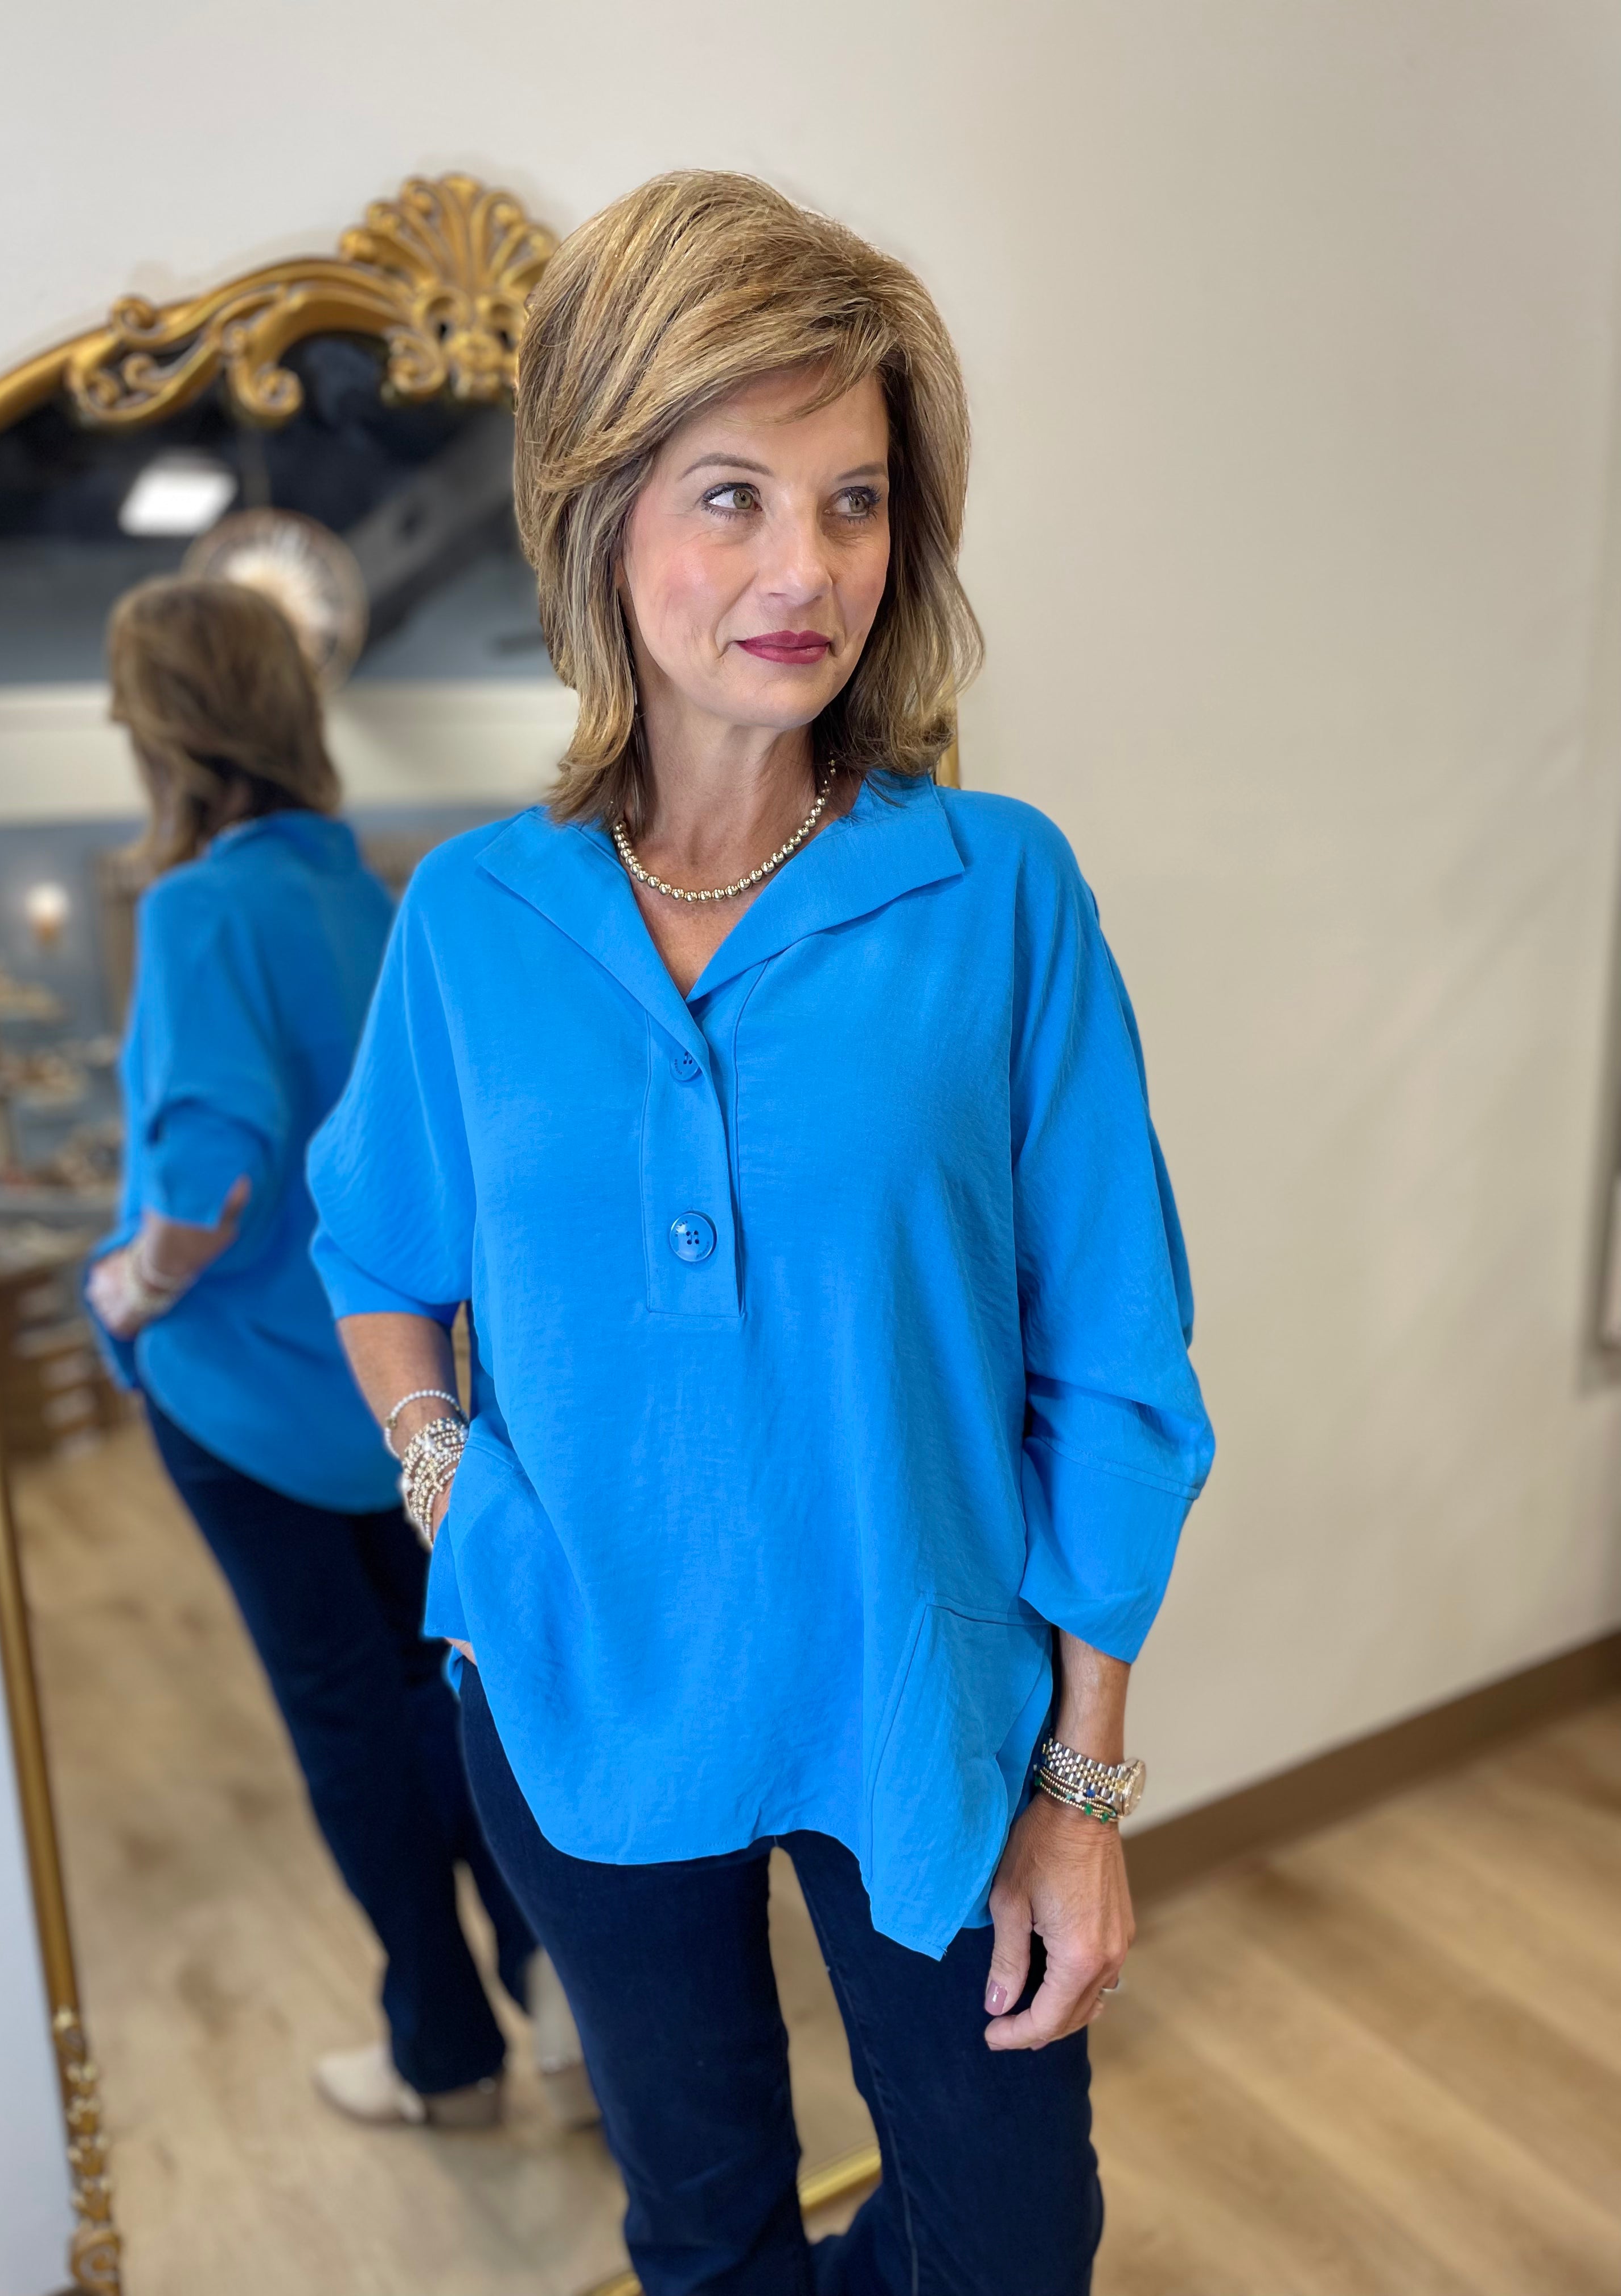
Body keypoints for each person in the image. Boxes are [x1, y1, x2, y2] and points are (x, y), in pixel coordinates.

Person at [309, 172, 1214, 2294]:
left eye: (856, 502)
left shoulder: (996, 892)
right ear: (599, 512)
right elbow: (376, 1256)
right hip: (579, 1687)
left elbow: (1116, 1362)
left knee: (1011, 2238)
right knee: (703, 2227)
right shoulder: (471, 920)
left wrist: (1084, 1789)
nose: (810, 570)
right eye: (734, 495)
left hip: (927, 1696)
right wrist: (454, 1490)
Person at [84, 576, 592, 2134]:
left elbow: (207, 1177)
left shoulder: (196, 910)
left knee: (347, 1727)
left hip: (246, 1408)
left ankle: (444, 2059)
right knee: (440, 1697)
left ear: (161, 732)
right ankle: (555, 1995)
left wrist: (131, 1287)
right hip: (390, 1394)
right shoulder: (370, 900)